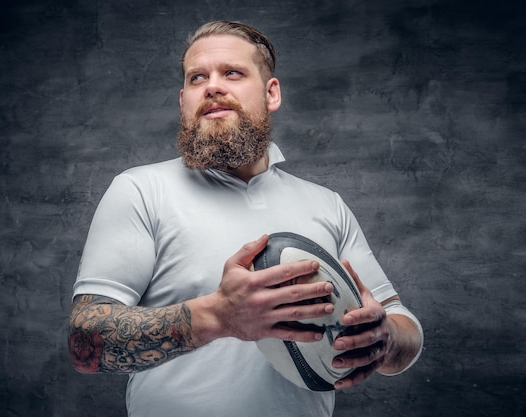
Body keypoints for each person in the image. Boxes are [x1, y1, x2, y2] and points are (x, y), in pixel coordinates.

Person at [68, 20, 423, 417]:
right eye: (197, 77)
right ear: (183, 99)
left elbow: (401, 322)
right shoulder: (139, 190)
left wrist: (384, 337)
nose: (212, 86)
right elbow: (86, 343)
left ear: (271, 93)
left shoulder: (326, 205)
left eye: (232, 73)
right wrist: (217, 317)